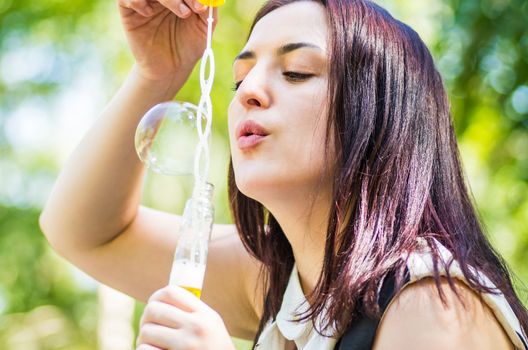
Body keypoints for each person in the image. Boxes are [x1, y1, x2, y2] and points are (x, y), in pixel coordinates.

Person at [39, 0, 528, 349]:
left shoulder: (434, 306)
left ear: (379, 113)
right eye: (238, 78)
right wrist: (158, 71)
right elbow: (85, 234)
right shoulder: (283, 283)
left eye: (295, 71)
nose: (249, 90)